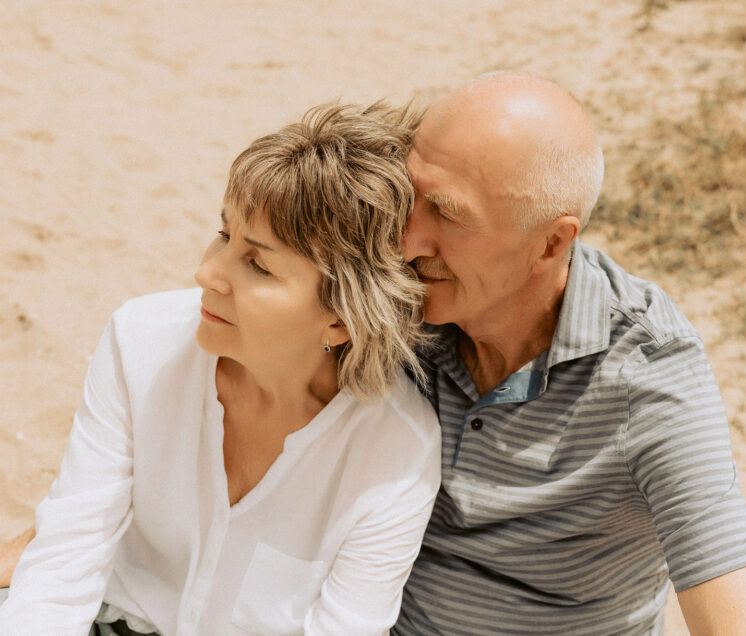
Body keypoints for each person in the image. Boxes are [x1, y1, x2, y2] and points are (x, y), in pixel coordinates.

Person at [0, 102, 441, 635]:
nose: (207, 272)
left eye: (257, 264)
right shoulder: (140, 342)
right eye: (223, 234)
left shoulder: (397, 450)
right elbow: (64, 563)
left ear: (343, 320)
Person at [391, 72, 746, 634]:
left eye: (447, 214)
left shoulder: (644, 373)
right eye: (409, 195)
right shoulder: (397, 295)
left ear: (551, 242)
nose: (407, 241)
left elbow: (728, 572)